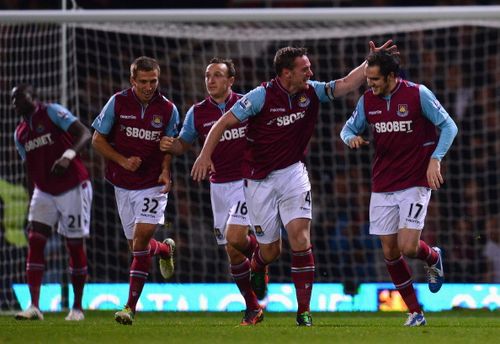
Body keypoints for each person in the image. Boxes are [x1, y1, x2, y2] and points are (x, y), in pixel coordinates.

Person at [191, 41, 397, 326]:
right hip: (258, 180)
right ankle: (259, 265)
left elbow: (345, 84)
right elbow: (222, 123)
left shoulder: (311, 91)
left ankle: (303, 312)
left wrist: (368, 63)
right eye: (305, 68)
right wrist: (204, 155)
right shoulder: (261, 96)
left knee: (300, 239)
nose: (310, 72)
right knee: (271, 251)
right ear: (286, 73)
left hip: (293, 174)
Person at [340, 51, 458, 326]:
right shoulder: (367, 100)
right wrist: (351, 139)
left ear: (392, 76)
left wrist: (435, 159)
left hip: (415, 182)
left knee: (407, 246)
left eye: (376, 79)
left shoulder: (418, 95)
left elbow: (449, 126)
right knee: (390, 253)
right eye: (368, 79)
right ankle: (415, 312)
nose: (370, 84)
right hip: (382, 184)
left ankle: (433, 256)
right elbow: (346, 129)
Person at [160, 58, 263, 326]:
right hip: (218, 187)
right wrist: (170, 145)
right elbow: (184, 143)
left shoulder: (247, 104)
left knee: (233, 237)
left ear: (231, 81)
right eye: (208, 75)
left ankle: (261, 261)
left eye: (218, 75)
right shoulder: (197, 112)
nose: (211, 80)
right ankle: (253, 305)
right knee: (233, 251)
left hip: (247, 182)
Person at [91, 56, 179, 325]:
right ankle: (164, 250)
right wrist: (122, 160)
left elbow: (167, 146)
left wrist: (166, 170)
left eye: (153, 81)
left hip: (152, 185)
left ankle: (129, 307)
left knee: (140, 242)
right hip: (122, 183)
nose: (149, 86)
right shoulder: (118, 102)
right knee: (136, 247)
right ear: (132, 81)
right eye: (143, 82)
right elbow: (97, 140)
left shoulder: (168, 109)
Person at [12, 84, 92, 321]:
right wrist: (31, 200)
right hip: (43, 191)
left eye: (20, 97)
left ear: (33, 97)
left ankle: (77, 308)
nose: (15, 102)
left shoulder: (52, 112)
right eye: (12, 99)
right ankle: (34, 306)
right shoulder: (20, 133)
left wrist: (67, 157)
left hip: (73, 187)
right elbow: (29, 168)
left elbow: (84, 133)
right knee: (35, 241)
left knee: (74, 245)